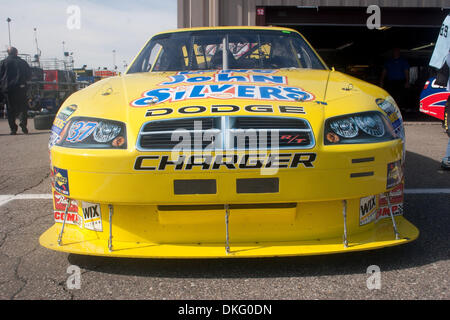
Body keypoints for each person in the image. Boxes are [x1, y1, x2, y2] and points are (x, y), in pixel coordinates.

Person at [0, 47, 31, 135]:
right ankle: (23, 124)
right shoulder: (22, 62)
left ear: (8, 53)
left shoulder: (3, 62)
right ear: (16, 52)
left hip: (8, 89)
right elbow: (29, 75)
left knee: (10, 109)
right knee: (22, 108)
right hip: (21, 87)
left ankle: (13, 129)